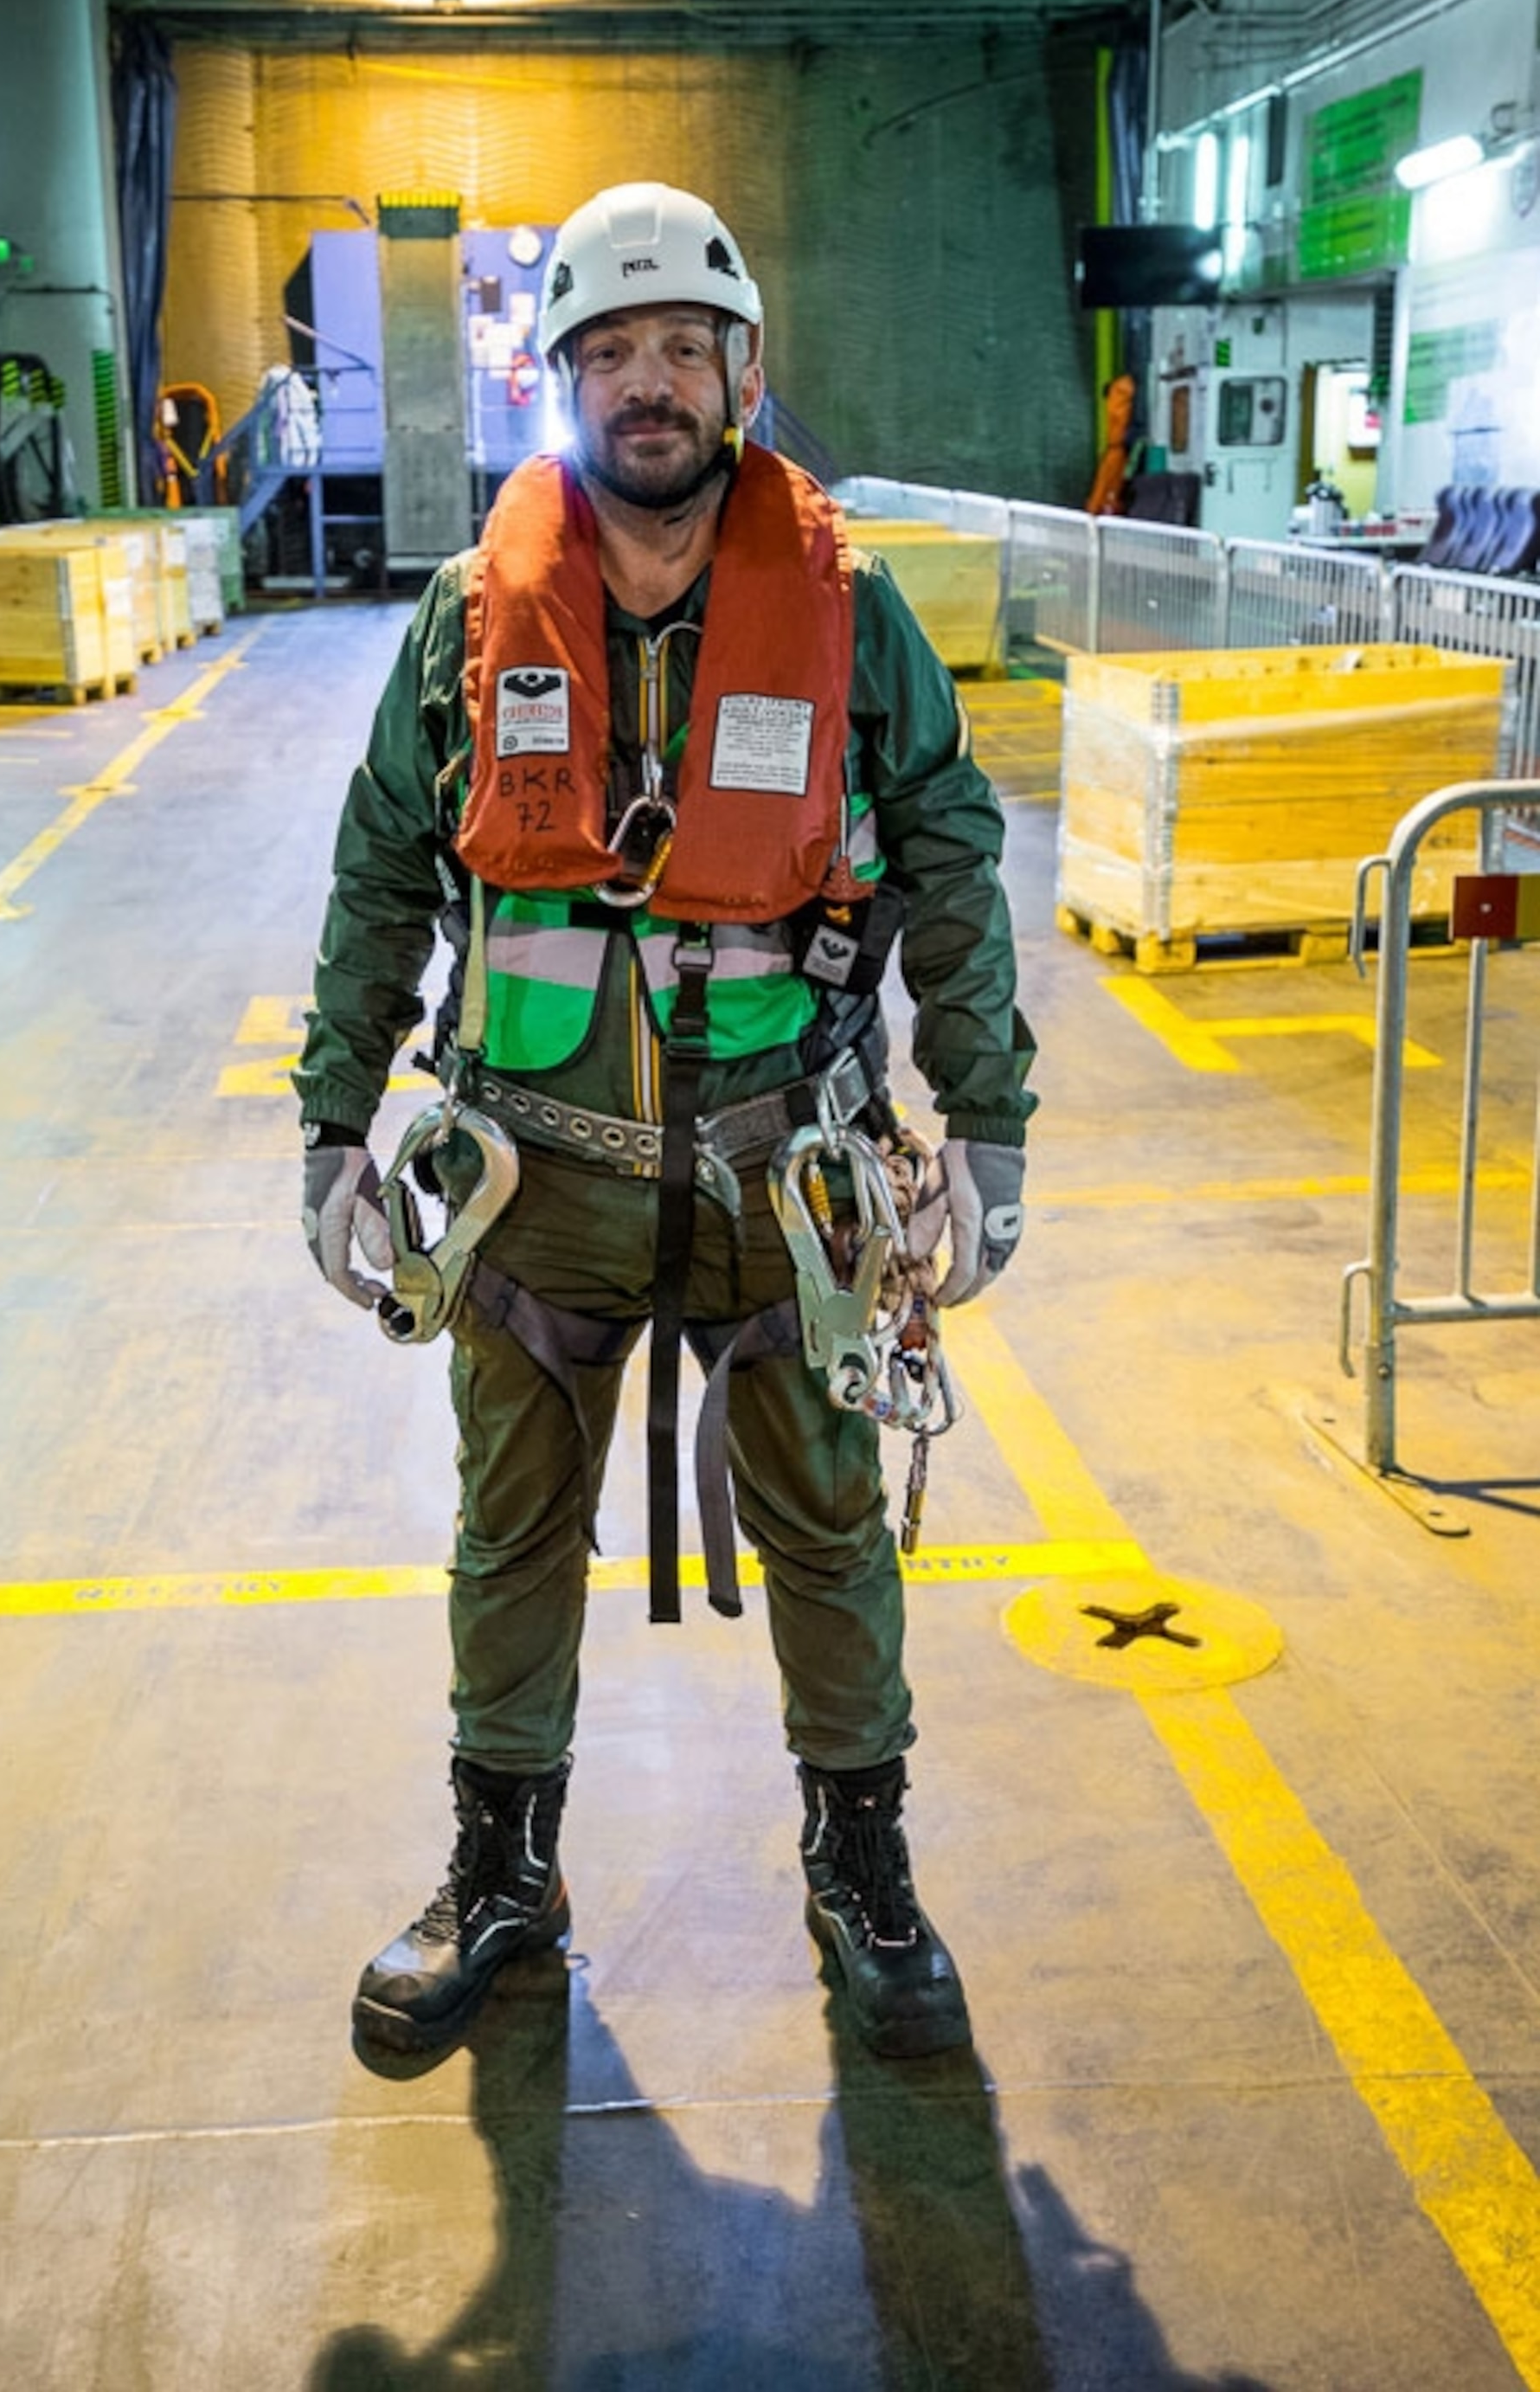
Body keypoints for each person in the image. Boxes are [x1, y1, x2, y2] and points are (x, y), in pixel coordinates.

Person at [295, 181, 1036, 2065]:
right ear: (560, 386)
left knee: (832, 1529)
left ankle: (860, 1861)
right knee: (508, 1534)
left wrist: (993, 1115)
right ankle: (501, 1868)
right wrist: (329, 1123)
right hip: (534, 1183)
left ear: (743, 373)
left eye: (678, 351)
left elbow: (945, 853)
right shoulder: (473, 618)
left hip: (785, 1170)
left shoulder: (850, 616)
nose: (646, 386)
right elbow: (384, 867)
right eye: (606, 353)